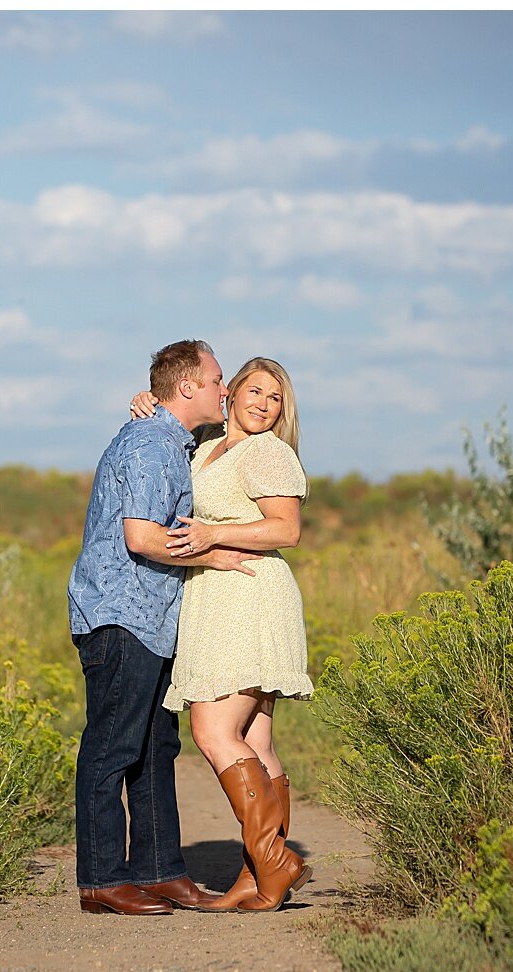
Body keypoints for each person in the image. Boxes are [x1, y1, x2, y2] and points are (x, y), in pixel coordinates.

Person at [67, 339, 264, 916]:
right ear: (187, 388)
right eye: (216, 380)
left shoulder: (171, 439)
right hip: (120, 615)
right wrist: (213, 555)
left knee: (155, 747)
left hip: (150, 621)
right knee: (113, 746)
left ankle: (158, 870)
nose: (223, 390)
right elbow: (142, 537)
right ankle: (101, 879)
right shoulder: (152, 445)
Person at [128, 356, 314, 912]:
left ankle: (275, 860)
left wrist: (213, 533)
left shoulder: (268, 452)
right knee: (255, 740)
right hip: (217, 596)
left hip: (248, 595)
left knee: (213, 731)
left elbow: (288, 529)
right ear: (229, 392)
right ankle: (258, 879)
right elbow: (178, 417)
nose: (263, 404)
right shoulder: (208, 446)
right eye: (255, 391)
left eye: (275, 398)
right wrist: (147, 404)